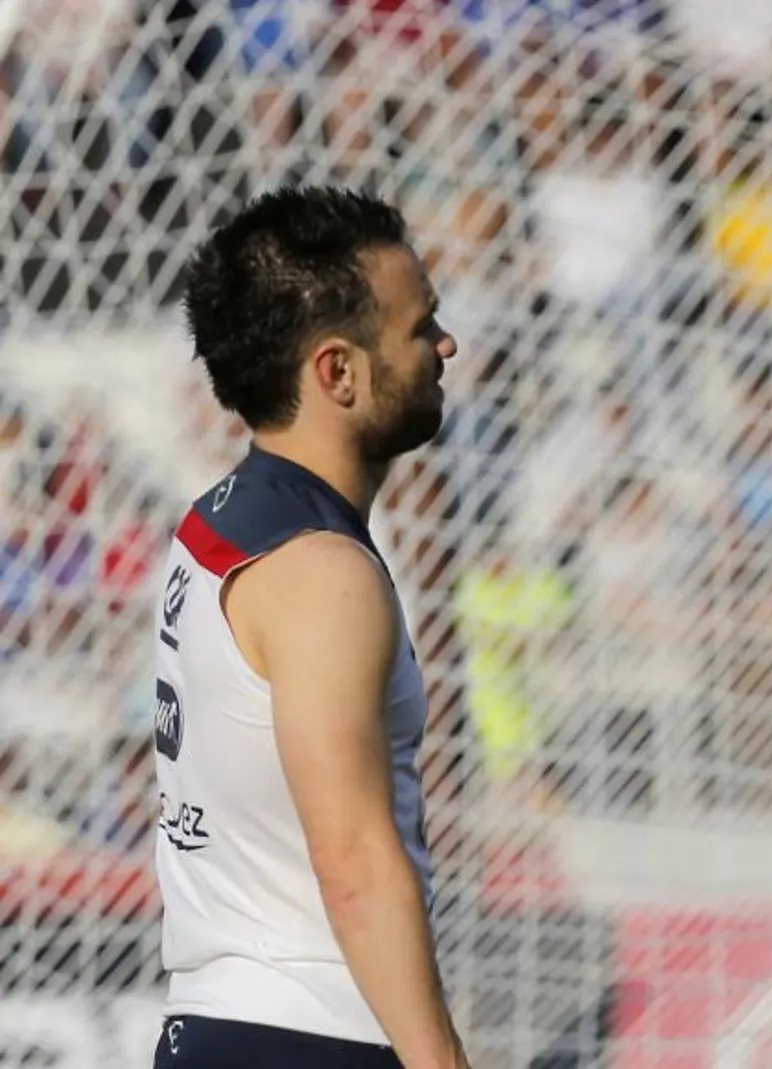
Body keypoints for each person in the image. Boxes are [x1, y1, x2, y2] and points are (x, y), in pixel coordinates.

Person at [151, 186, 467, 1069]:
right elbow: (354, 861)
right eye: (419, 326)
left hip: (219, 1023)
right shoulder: (322, 573)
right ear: (338, 372)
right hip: (311, 1035)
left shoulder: (215, 523)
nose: (446, 345)